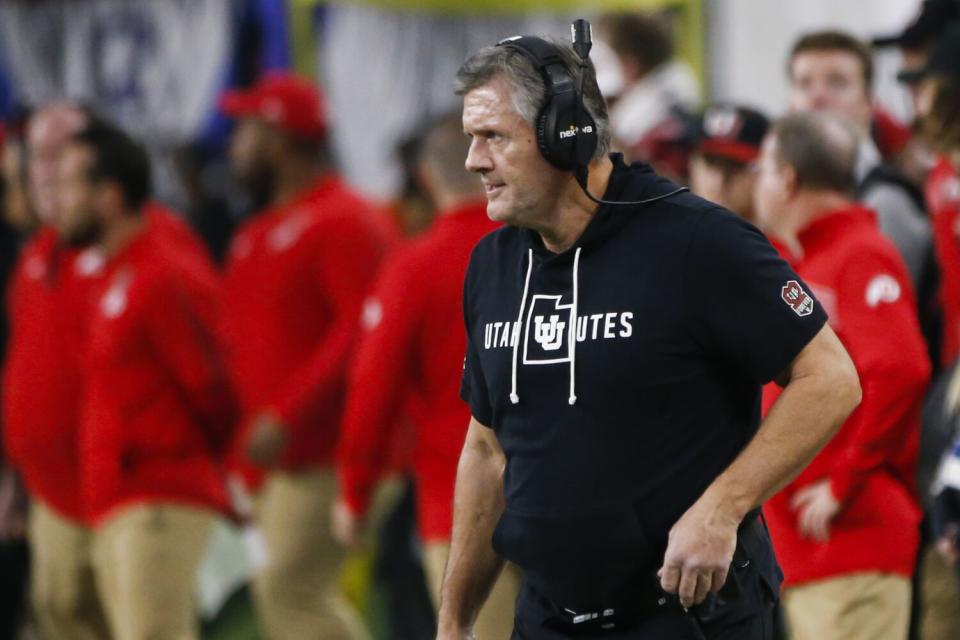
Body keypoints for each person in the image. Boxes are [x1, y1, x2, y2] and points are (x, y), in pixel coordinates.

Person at [438, 29, 861, 639]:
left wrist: (722, 508)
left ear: (568, 135)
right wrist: (454, 621)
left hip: (686, 618)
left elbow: (830, 377)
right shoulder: (493, 266)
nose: (474, 160)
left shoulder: (696, 242)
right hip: (549, 620)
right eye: (471, 139)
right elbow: (487, 450)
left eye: (493, 137)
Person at [219, 73, 395, 639]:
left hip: (332, 451)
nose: (234, 141)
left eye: (246, 127)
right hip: (278, 459)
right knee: (284, 602)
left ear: (278, 137)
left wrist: (286, 414)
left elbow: (361, 334)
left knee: (290, 591)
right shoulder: (256, 230)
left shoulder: (345, 218)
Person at [331, 113, 519, 636]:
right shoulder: (539, 250)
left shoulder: (414, 268)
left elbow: (373, 388)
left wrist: (355, 491)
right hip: (556, 488)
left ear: (427, 178)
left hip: (458, 504)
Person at [753, 111, 930, 640]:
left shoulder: (860, 255)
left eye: (761, 170)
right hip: (810, 552)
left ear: (786, 178)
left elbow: (902, 370)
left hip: (852, 543)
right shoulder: (801, 262)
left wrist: (843, 483)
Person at [55, 119, 234, 640]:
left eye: (70, 186)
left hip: (157, 498)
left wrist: (169, 459)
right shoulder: (111, 271)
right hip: (118, 497)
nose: (56, 199)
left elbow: (214, 388)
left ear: (109, 196)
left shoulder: (162, 270)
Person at [787, 30, 932, 293]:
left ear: (869, 103)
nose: (817, 96)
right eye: (804, 84)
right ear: (790, 102)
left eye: (837, 82)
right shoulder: (776, 192)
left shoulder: (887, 201)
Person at [688, 104, 769, 225]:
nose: (719, 182)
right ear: (692, 164)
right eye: (711, 164)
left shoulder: (780, 241)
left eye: (735, 168)